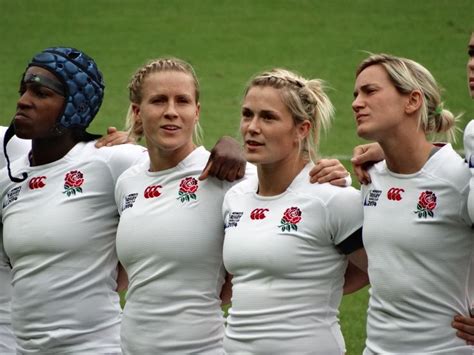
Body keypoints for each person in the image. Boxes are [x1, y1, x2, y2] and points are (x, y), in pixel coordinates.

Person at [222, 68, 367, 354]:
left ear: (302, 129)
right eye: (247, 114)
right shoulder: (235, 197)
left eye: (268, 117)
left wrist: (317, 291)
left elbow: (388, 271)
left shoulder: (332, 199)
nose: (252, 127)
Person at [351, 53, 473, 354]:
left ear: (412, 101)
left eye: (370, 91)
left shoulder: (457, 179)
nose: (356, 103)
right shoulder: (370, 178)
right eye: (356, 94)